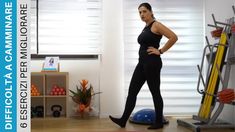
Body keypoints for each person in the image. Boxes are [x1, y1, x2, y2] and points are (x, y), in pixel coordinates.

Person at [109, 2, 178, 130]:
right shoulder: (146, 27)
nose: (142, 14)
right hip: (142, 63)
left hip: (152, 63)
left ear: (151, 12)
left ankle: (158, 122)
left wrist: (160, 51)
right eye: (140, 12)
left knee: (155, 92)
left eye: (144, 11)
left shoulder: (156, 25)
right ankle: (123, 120)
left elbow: (173, 37)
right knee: (132, 92)